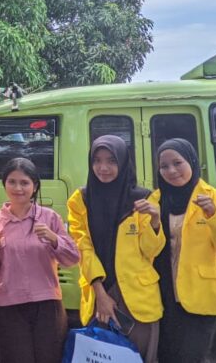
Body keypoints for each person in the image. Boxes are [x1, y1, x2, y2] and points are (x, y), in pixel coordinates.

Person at [67, 135, 165, 363]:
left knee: (138, 355)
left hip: (136, 297)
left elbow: (151, 251)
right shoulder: (81, 200)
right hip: (99, 292)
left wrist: (155, 221)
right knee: (99, 355)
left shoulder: (144, 199)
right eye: (97, 160)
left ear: (122, 162)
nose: (103, 168)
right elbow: (83, 246)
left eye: (111, 160)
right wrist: (100, 292)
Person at [149, 139, 216, 363]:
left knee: (192, 356)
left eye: (178, 163)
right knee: (166, 355)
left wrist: (213, 216)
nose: (171, 171)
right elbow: (146, 250)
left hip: (201, 293)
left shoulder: (214, 198)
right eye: (164, 166)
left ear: (191, 161)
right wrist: (153, 223)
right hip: (163, 292)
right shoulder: (154, 200)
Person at [0, 158, 80, 363]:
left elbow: (72, 258)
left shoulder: (50, 218)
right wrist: (7, 284)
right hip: (10, 306)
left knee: (49, 358)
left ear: (35, 186)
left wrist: (54, 240)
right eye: (12, 182)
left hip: (47, 305)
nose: (18, 188)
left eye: (24, 182)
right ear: (4, 184)